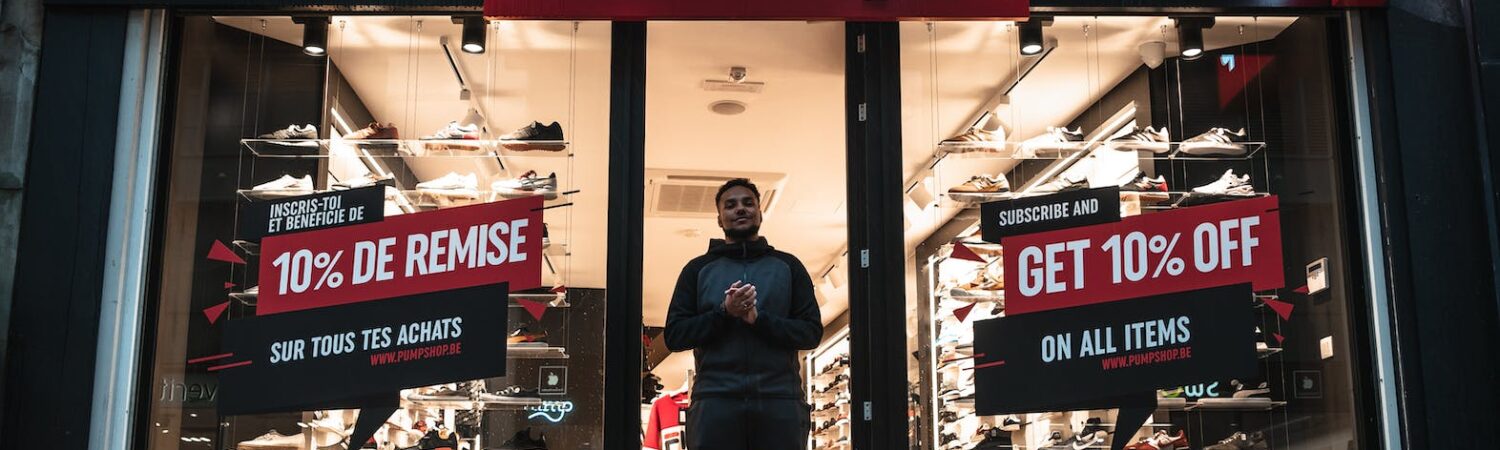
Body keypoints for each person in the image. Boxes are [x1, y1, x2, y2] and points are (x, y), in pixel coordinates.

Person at [663, 178, 824, 450]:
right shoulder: (697, 269)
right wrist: (724, 313)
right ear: (719, 218)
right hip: (715, 401)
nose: (741, 209)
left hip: (779, 400)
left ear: (760, 213)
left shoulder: (789, 266)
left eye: (748, 203)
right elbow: (675, 336)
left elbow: (811, 333)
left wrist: (760, 320)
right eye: (731, 205)